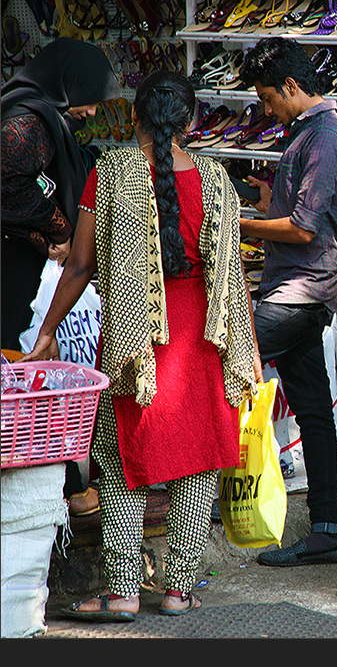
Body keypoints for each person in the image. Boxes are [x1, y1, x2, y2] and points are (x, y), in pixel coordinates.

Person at [21, 70, 260, 621]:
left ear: (135, 118)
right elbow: (231, 275)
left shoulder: (109, 175)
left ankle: (123, 588)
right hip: (205, 341)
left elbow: (79, 265)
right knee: (195, 463)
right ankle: (179, 587)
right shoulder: (219, 179)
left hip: (137, 343)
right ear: (191, 121)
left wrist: (49, 329)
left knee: (122, 457)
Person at [237, 36, 337, 567]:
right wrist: (269, 203)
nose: (266, 110)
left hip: (302, 289)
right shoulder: (310, 134)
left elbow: (305, 229)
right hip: (299, 287)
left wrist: (237, 222)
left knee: (222, 358)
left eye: (267, 98)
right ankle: (329, 530)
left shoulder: (326, 136)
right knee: (311, 408)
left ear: (290, 86)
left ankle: (180, 500)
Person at [2, 36, 121, 516]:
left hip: (26, 259)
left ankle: (60, 484)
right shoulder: (26, 121)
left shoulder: (38, 116)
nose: (92, 112)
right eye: (90, 97)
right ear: (68, 84)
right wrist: (59, 228)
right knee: (23, 359)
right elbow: (8, 181)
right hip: (12, 271)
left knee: (34, 364)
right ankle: (52, 487)